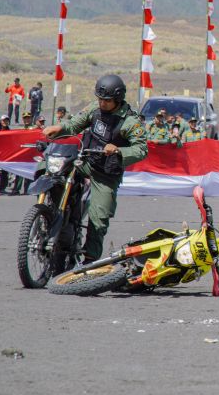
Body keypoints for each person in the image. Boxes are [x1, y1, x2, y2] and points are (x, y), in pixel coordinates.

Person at [42, 74, 147, 262]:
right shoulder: (94, 108)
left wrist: (119, 150)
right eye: (100, 98)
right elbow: (75, 124)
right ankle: (50, 212)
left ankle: (90, 262)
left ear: (118, 99)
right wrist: (59, 128)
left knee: (98, 218)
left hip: (105, 172)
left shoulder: (130, 121)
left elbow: (141, 149)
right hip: (85, 161)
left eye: (107, 100)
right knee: (50, 167)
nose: (102, 103)